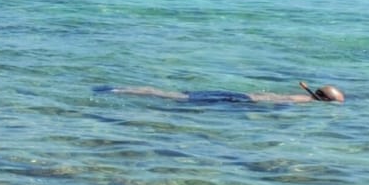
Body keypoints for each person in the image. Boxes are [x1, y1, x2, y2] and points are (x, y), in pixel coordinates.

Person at [99, 82, 344, 105]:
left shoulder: (303, 98)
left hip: (237, 95)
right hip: (235, 100)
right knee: (174, 97)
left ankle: (121, 88)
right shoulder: (304, 100)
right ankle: (121, 90)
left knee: (174, 94)